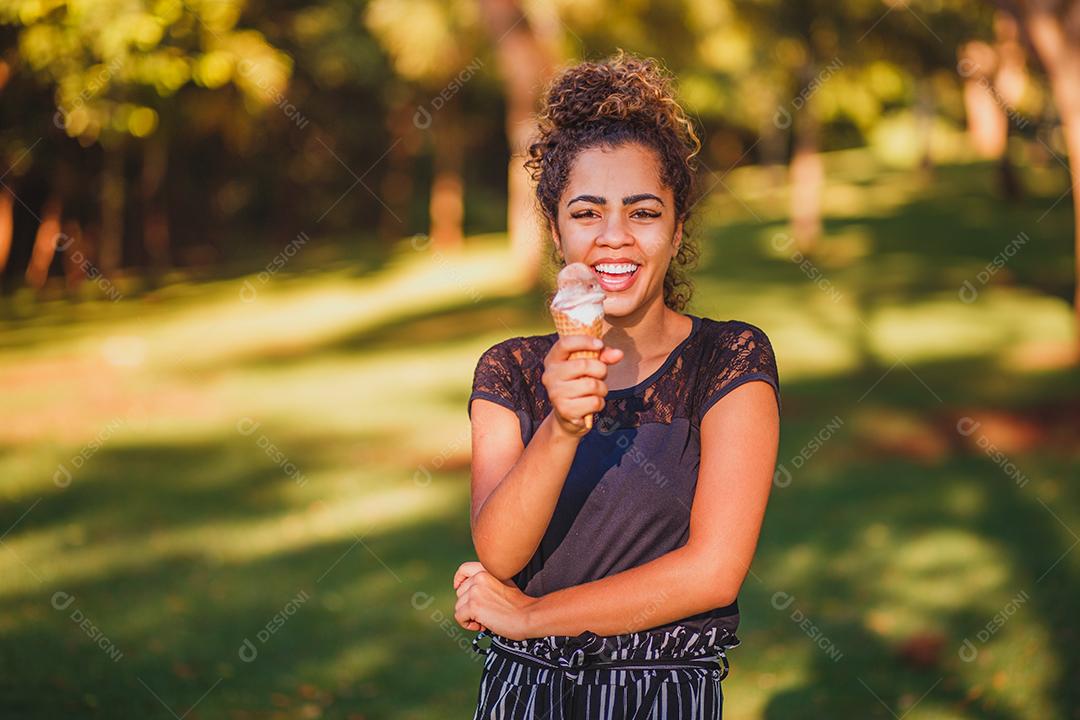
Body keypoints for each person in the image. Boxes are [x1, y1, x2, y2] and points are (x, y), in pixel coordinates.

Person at [454, 49, 782, 720]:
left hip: (661, 694)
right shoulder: (510, 371)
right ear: (555, 231)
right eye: (586, 213)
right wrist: (563, 426)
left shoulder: (729, 359)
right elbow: (498, 550)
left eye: (642, 212)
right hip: (524, 696)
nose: (614, 239)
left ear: (677, 227)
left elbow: (712, 570)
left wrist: (532, 617)